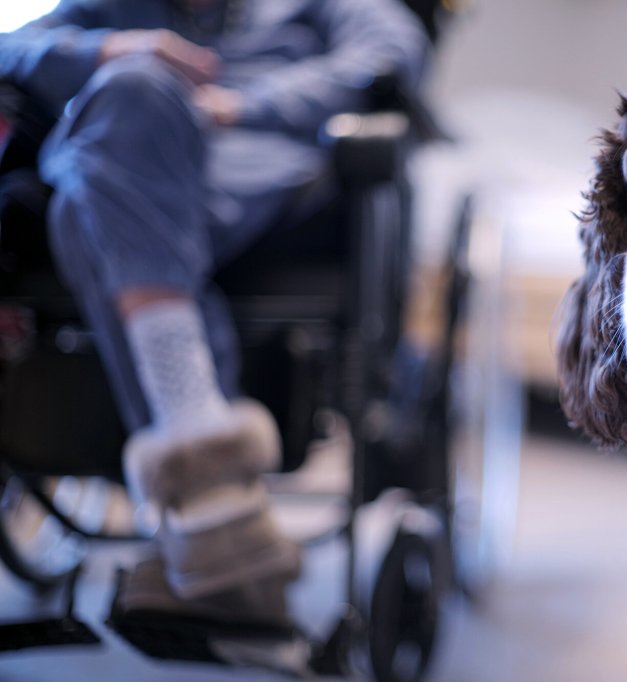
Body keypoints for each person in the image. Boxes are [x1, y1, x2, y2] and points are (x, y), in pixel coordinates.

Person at [0, 0, 428, 614]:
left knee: (87, 205)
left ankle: (190, 516)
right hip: (125, 148)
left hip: (249, 158)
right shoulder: (110, 10)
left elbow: (391, 54)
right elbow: (9, 48)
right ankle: (212, 508)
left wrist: (246, 103)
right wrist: (108, 50)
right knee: (132, 91)